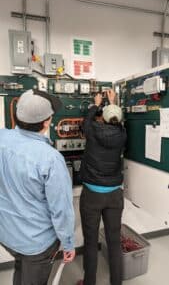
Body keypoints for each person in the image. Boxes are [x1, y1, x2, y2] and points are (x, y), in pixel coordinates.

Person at [0, 89, 75, 285]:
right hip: (36, 243)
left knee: (21, 267)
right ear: (47, 122)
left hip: (7, 234)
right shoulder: (51, 159)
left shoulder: (1, 139)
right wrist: (68, 244)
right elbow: (61, 211)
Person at [77, 89, 127, 285]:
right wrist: (112, 102)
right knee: (114, 242)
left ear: (103, 118)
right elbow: (118, 120)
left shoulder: (93, 131)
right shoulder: (122, 134)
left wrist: (95, 104)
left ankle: (89, 283)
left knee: (90, 243)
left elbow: (86, 122)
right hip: (115, 195)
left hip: (92, 196)